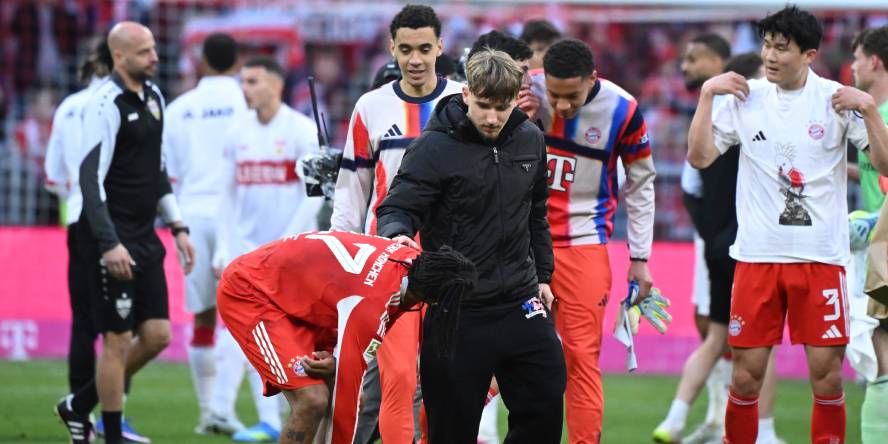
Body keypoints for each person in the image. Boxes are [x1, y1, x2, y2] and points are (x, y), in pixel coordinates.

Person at [687, 6, 888, 443]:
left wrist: (871, 111)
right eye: (767, 45)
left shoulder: (836, 100)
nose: (771, 56)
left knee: (828, 379)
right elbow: (699, 157)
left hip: (820, 259)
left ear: (810, 54)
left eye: (782, 48)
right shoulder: (746, 99)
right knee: (745, 378)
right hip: (757, 258)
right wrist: (706, 96)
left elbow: (886, 163)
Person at [377, 48, 565, 443]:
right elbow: (397, 207)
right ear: (466, 94)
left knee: (545, 407)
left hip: (522, 302)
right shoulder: (433, 147)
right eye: (483, 106)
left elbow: (536, 214)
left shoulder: (531, 138)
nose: (493, 118)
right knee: (450, 431)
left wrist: (544, 275)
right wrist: (398, 238)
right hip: (456, 312)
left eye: (501, 106)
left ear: (516, 98)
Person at [54, 22, 196, 444]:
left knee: (156, 336)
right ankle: (111, 433)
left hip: (144, 234)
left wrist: (178, 226)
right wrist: (109, 242)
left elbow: (158, 170)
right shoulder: (104, 104)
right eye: (145, 52)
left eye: (154, 48)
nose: (155, 57)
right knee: (116, 340)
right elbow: (88, 179)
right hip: (108, 236)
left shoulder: (154, 97)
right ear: (119, 57)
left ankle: (78, 404)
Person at [330, 5, 462, 443]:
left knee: (451, 379)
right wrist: (340, 254)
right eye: (405, 49)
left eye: (425, 48)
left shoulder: (463, 101)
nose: (416, 59)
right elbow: (352, 188)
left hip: (453, 258)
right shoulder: (371, 106)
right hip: (390, 263)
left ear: (441, 46)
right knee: (399, 377)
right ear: (392, 48)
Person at [217, 230, 477, 444]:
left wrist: (337, 364)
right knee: (313, 400)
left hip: (297, 297)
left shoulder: (412, 260)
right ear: (434, 297)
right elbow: (345, 402)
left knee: (340, 398)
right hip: (251, 290)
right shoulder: (373, 304)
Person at [659, 41, 785, 444]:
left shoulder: (710, 127)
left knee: (716, 338)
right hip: (753, 248)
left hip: (715, 247)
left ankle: (676, 419)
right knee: (760, 344)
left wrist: (709, 231)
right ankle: (761, 433)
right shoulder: (762, 130)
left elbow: (690, 183)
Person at [533, 38, 655, 443]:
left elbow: (641, 182)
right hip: (516, 241)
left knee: (580, 358)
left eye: (572, 96)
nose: (562, 105)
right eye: (554, 94)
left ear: (593, 79)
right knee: (490, 351)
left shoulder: (623, 110)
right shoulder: (523, 93)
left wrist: (640, 257)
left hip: (582, 243)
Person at [45, 37, 153, 444]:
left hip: (77, 218)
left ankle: (82, 419)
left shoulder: (68, 107)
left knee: (84, 324)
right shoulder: (125, 104)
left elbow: (54, 177)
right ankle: (111, 417)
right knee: (121, 327)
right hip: (115, 222)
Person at [209, 55, 322, 443]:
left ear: (275, 85)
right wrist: (222, 247)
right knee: (253, 337)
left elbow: (315, 195)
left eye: (253, 81)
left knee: (293, 336)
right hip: (246, 255)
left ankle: (292, 413)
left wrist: (285, 243)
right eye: (243, 81)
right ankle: (265, 419)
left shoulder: (302, 130)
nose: (245, 89)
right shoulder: (234, 132)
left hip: (290, 256)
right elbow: (225, 193)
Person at [161, 32, 249, 436]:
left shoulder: (178, 109)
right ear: (236, 63)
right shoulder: (248, 98)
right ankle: (226, 406)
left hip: (191, 213)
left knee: (202, 315)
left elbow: (169, 173)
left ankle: (206, 412)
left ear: (201, 61)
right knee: (242, 312)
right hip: (238, 215)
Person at [848, 25, 888, 443]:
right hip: (876, 243)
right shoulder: (870, 114)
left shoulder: (879, 112)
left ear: (874, 60)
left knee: (878, 348)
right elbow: (878, 172)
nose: (852, 66)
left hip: (884, 245)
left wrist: (871, 224)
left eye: (857, 58)